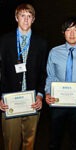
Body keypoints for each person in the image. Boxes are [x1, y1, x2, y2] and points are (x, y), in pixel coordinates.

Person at [0, 3, 48, 150]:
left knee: (29, 143)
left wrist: (40, 95)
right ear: (16, 18)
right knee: (11, 143)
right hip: (9, 101)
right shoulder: (4, 41)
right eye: (22, 15)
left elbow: (44, 72)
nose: (26, 20)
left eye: (29, 16)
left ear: (33, 19)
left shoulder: (42, 43)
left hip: (33, 101)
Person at [45, 16, 76, 150]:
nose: (72, 34)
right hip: (57, 102)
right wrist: (48, 93)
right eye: (68, 30)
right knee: (54, 141)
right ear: (63, 33)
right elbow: (50, 76)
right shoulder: (54, 52)